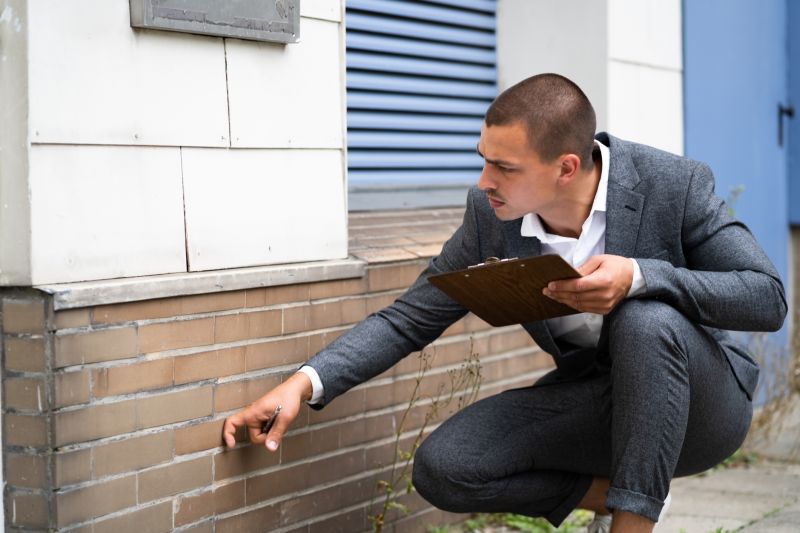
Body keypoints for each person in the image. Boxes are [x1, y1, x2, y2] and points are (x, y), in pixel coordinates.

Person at [223, 73, 786, 532]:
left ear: (566, 166)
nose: (484, 180)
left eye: (504, 168)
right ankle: (615, 499)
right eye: (483, 158)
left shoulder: (673, 184)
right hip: (597, 399)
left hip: (700, 408)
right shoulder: (489, 219)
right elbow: (410, 317)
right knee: (446, 468)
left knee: (645, 315)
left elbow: (766, 297)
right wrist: (301, 384)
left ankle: (634, 524)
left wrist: (641, 276)